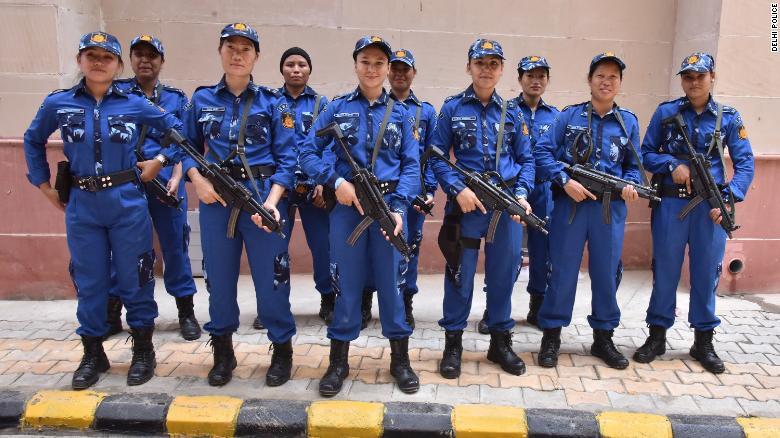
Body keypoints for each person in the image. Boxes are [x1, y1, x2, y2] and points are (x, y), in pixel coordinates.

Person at [23, 31, 184, 389]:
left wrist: (160, 160)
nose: (98, 63)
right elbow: (33, 139)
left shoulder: (134, 103)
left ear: (118, 65)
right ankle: (93, 353)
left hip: (127, 201)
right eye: (91, 56)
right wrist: (43, 185)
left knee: (135, 276)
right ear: (79, 60)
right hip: (83, 204)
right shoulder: (59, 103)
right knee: (90, 279)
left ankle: (143, 350)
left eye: (106, 57)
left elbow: (178, 131)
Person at [300, 36, 421, 397]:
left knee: (393, 286)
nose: (372, 69)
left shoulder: (402, 114)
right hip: (348, 209)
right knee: (346, 285)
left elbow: (411, 165)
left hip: (388, 208)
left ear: (387, 68)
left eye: (379, 63)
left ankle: (400, 360)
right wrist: (335, 181)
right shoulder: (336, 109)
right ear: (355, 65)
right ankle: (338, 362)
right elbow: (307, 153)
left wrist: (400, 207)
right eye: (365, 62)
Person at [182, 23, 297, 387]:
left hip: (261, 198)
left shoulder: (273, 102)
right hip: (216, 200)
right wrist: (197, 180)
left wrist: (273, 202)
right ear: (220, 52)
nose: (237, 55)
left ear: (256, 57)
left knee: (273, 279)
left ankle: (282, 350)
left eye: (245, 49)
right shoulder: (201, 100)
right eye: (230, 47)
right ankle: (222, 351)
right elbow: (183, 147)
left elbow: (288, 158)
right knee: (218, 279)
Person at [634, 52, 754, 374]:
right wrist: (671, 164)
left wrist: (727, 198)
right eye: (688, 77)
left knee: (705, 273)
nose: (694, 82)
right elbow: (646, 154)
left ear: (712, 77)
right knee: (665, 271)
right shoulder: (666, 112)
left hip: (710, 207)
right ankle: (657, 336)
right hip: (672, 205)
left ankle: (703, 341)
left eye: (700, 76)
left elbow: (745, 164)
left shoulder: (728, 118)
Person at [430, 39, 535, 379]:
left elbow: (527, 160)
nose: (486, 70)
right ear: (469, 67)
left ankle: (500, 343)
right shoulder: (452, 108)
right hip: (467, 207)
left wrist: (521, 194)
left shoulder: (513, 112)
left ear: (502, 70)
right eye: (480, 63)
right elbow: (436, 156)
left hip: (504, 207)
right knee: (459, 276)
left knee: (504, 274)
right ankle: (453, 344)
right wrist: (457, 189)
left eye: (493, 64)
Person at [534, 52, 642, 369]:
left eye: (612, 77)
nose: (606, 82)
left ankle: (603, 337)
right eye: (600, 76)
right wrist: (564, 181)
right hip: (571, 206)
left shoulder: (628, 122)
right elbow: (542, 152)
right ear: (589, 80)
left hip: (609, 209)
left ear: (620, 83)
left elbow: (634, 166)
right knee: (562, 271)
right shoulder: (569, 117)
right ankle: (551, 335)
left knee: (607, 273)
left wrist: (632, 185)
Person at [108, 34, 201, 341]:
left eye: (152, 55)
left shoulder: (176, 98)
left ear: (162, 61)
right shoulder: (116, 93)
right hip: (126, 182)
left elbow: (184, 140)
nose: (145, 60)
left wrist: (176, 175)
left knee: (176, 246)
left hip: (166, 181)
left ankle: (185, 311)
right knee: (122, 248)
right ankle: (112, 311)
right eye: (139, 55)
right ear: (130, 60)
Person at [477, 55, 559, 334]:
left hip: (543, 189)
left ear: (547, 80)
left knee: (543, 249)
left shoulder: (555, 116)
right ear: (520, 79)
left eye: (541, 76)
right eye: (529, 75)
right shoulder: (506, 110)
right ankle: (495, 308)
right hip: (510, 189)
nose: (535, 81)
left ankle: (538, 305)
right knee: (507, 254)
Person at [266, 46, 334, 328]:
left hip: (312, 187)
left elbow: (330, 145)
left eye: (302, 64)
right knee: (274, 248)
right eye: (290, 64)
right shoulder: (270, 102)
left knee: (323, 246)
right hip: (279, 188)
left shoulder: (322, 104)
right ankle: (274, 306)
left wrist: (323, 182)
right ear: (282, 69)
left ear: (309, 70)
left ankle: (329, 299)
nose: (296, 69)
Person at [387, 48, 437, 329]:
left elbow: (432, 155)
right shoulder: (378, 105)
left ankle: (406, 300)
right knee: (374, 244)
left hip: (414, 194)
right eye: (394, 68)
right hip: (383, 190)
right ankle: (367, 299)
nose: (399, 74)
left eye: (404, 69)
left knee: (410, 248)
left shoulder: (426, 111)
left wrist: (429, 191)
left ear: (414, 73)